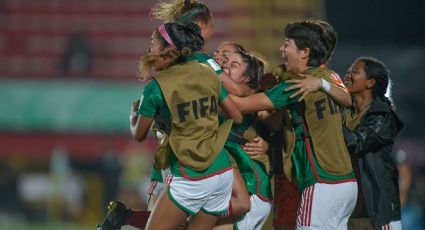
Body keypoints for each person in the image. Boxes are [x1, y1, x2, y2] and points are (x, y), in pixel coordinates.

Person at [231, 20, 358, 229]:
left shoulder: (297, 86)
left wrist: (210, 80)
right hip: (346, 184)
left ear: (305, 52)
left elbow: (243, 105)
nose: (281, 49)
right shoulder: (329, 77)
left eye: (287, 44)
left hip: (321, 181)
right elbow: (346, 98)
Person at [286, 57, 405, 229]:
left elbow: (357, 143)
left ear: (370, 82)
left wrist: (329, 120)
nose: (348, 74)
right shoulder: (344, 111)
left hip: (378, 210)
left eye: (355, 72)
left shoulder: (383, 116)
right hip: (350, 209)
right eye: (349, 70)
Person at [213, 49, 272, 230]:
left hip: (251, 186)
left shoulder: (250, 96)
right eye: (225, 63)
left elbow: (275, 124)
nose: (225, 67)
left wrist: (267, 143)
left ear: (247, 78)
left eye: (233, 65)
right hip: (240, 188)